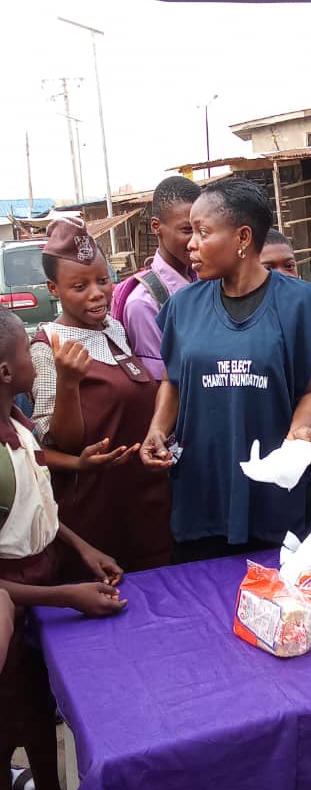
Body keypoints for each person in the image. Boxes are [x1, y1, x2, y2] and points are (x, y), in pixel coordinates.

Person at [0, 307, 126, 790]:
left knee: (37, 706)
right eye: (28, 352)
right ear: (6, 371)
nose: (37, 358)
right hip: (15, 597)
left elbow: (38, 493)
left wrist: (81, 548)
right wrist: (66, 597)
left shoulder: (15, 419)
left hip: (43, 575)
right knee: (3, 727)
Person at [140, 178, 311, 561]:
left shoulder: (301, 304)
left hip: (273, 492)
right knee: (203, 589)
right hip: (202, 490)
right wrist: (157, 430)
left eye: (203, 232)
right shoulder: (183, 306)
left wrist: (301, 429)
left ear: (242, 237)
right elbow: (172, 382)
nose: (191, 244)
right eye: (190, 231)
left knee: (274, 590)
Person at [30, 219, 172, 572]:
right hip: (96, 512)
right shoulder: (48, 348)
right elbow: (60, 443)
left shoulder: (115, 329)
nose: (96, 293)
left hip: (145, 501)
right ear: (53, 289)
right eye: (79, 286)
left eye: (103, 281)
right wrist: (68, 382)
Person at [121, 176, 201, 378]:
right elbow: (160, 382)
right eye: (187, 230)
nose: (196, 241)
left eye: (202, 230)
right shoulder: (144, 303)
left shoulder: (205, 279)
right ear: (156, 226)